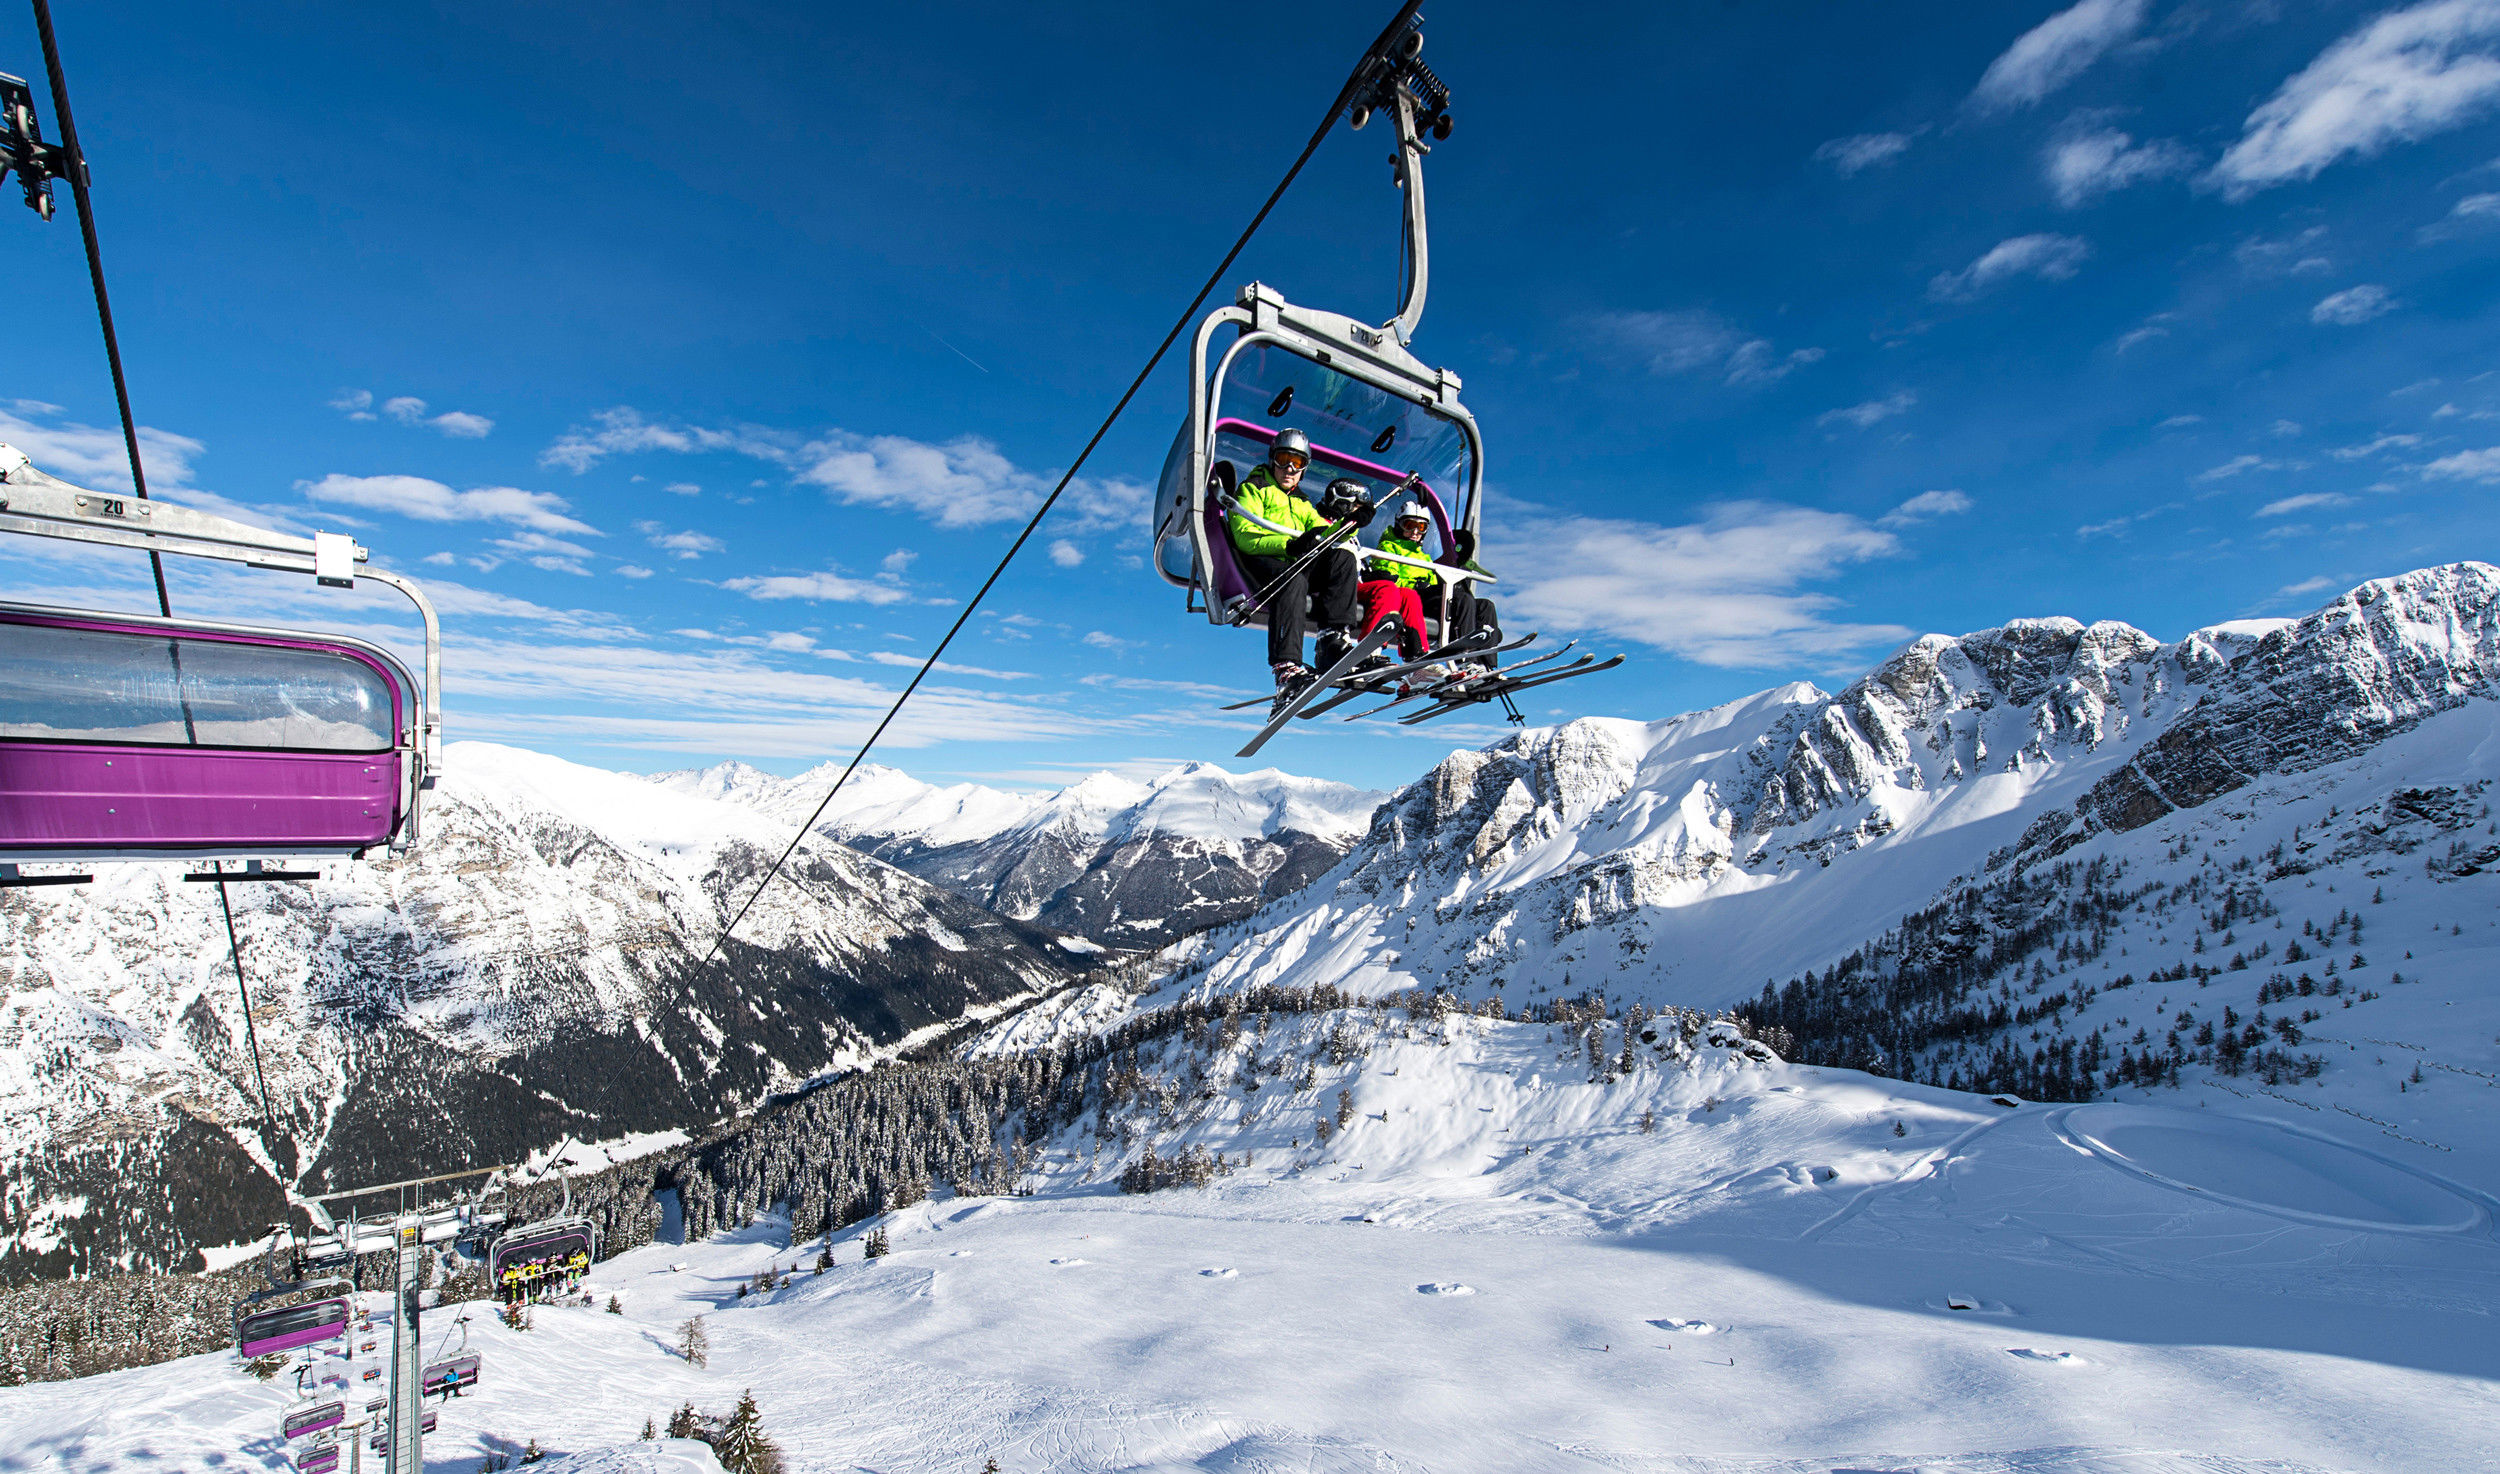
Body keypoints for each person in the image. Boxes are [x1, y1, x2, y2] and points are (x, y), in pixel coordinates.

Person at [1226, 429, 1369, 706]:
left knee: (1342, 558)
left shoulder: (1302, 502)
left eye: (1298, 462)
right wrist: (1289, 545)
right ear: (1273, 460)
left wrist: (1352, 523)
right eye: (1284, 460)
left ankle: (1332, 640)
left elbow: (1325, 533)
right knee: (1294, 580)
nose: (1290, 469)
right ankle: (1286, 668)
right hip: (1261, 560)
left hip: (1294, 562)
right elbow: (1244, 535)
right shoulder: (1254, 488)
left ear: (1305, 468)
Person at [1374, 499, 1500, 674]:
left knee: (1486, 606)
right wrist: (1416, 584)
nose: (1415, 532)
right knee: (1461, 600)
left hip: (1429, 597)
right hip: (1411, 599)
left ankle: (1486, 665)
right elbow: (1389, 581)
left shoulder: (1424, 557)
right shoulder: (1388, 548)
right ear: (1399, 525)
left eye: (1421, 527)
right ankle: (1463, 660)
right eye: (1409, 525)